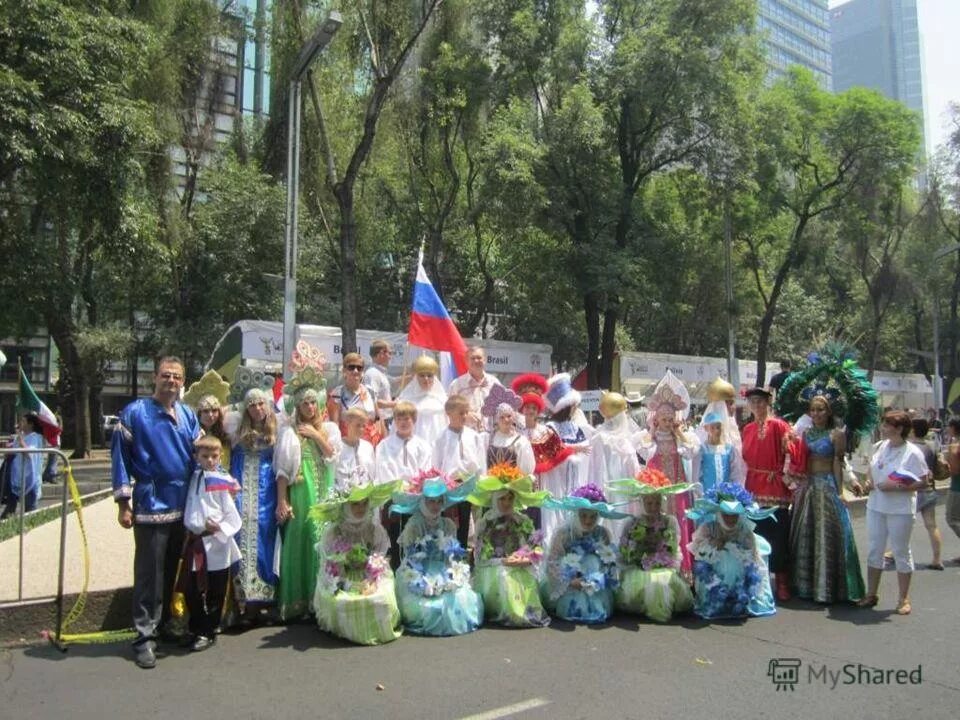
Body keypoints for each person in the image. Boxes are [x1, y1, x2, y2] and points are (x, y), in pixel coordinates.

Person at [111, 356, 199, 669]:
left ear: (183, 381)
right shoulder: (135, 413)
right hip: (151, 503)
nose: (171, 381)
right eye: (166, 375)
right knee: (149, 573)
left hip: (182, 504)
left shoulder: (188, 414)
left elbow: (199, 456)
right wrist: (123, 503)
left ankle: (162, 628)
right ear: (155, 378)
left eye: (177, 376)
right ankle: (143, 636)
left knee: (171, 571)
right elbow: (120, 458)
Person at [273, 343, 342, 620]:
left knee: (324, 540)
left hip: (325, 489)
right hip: (301, 492)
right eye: (305, 403)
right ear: (297, 406)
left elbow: (332, 456)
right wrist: (282, 500)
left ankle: (322, 599)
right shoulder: (289, 433)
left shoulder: (329, 429)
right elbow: (282, 472)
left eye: (313, 402)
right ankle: (299, 601)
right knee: (300, 540)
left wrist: (314, 435)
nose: (310, 407)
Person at [787, 396, 865, 603]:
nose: (816, 414)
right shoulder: (805, 433)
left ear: (828, 412)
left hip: (827, 486)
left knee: (828, 534)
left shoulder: (836, 434)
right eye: (813, 410)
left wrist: (842, 490)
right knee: (806, 534)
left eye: (820, 410)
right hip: (808, 487)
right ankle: (806, 586)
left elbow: (839, 463)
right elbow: (799, 460)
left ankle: (831, 589)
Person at [390, 473, 482, 636]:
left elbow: (452, 557)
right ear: (422, 502)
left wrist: (451, 567)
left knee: (460, 598)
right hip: (419, 571)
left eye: (439, 501)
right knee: (427, 604)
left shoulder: (448, 524)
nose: (435, 505)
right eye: (431, 501)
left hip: (443, 568)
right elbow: (409, 559)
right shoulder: (414, 525)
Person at [310, 481, 402, 645]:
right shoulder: (334, 531)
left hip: (370, 576)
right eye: (355, 504)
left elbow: (380, 558)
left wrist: (372, 577)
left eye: (364, 503)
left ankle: (374, 628)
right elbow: (330, 564)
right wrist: (344, 568)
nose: (360, 508)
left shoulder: (375, 530)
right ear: (345, 506)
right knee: (341, 601)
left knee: (383, 598)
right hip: (342, 577)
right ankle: (351, 630)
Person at [859, 411, 930, 615]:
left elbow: (924, 481)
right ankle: (871, 593)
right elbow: (872, 470)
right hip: (876, 506)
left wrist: (898, 487)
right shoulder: (879, 447)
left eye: (887, 424)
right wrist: (868, 482)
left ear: (899, 429)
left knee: (900, 551)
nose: (882, 427)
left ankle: (903, 598)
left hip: (900, 509)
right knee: (874, 549)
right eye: (883, 423)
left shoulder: (913, 453)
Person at [607, 468, 694, 623]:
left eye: (656, 502)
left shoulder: (669, 521)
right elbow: (623, 554)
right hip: (637, 568)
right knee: (642, 583)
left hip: (662, 566)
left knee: (662, 579)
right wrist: (639, 549)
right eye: (649, 503)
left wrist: (660, 551)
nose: (653, 507)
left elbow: (673, 551)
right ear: (642, 502)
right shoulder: (632, 523)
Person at [469, 464, 550, 628]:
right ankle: (512, 613)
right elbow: (480, 557)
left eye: (510, 498)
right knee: (506, 575)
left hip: (519, 565)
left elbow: (536, 547)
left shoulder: (522, 520)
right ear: (494, 499)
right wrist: (503, 561)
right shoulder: (485, 522)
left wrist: (527, 558)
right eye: (502, 498)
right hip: (493, 568)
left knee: (523, 575)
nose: (506, 503)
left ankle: (526, 612)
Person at [636, 372, 700, 578]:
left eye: (670, 418)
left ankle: (683, 570)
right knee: (656, 523)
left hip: (678, 490)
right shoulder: (649, 438)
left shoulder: (681, 438)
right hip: (657, 490)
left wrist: (679, 433)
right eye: (663, 418)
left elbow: (691, 451)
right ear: (656, 418)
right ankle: (656, 564)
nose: (667, 421)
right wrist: (653, 432)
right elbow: (644, 451)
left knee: (680, 523)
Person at [180, 435, 241, 651]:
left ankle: (209, 630)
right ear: (196, 456)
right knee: (191, 589)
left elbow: (234, 518)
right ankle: (197, 627)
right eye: (205, 456)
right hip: (195, 542)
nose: (210, 461)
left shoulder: (221, 482)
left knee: (215, 590)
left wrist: (221, 528)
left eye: (214, 456)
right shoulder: (194, 477)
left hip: (215, 543)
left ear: (220, 456)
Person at [225, 381, 280, 620]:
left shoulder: (277, 430)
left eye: (260, 403)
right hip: (243, 485)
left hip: (266, 490)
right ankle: (243, 600)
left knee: (264, 536)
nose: (257, 408)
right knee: (241, 535)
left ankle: (264, 597)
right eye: (252, 405)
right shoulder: (238, 432)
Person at [685, 482, 777, 620]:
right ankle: (718, 599)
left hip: (740, 579)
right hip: (713, 581)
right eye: (726, 514)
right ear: (719, 513)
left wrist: (738, 550)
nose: (730, 519)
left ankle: (738, 598)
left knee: (736, 558)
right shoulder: (708, 529)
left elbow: (754, 561)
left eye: (734, 515)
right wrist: (713, 545)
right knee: (720, 558)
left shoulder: (744, 531)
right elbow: (700, 558)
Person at [541, 484, 627, 624]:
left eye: (593, 517)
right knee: (570, 560)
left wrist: (599, 579)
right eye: (583, 515)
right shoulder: (563, 534)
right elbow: (552, 562)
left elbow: (609, 561)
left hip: (593, 584)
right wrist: (569, 581)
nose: (588, 521)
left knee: (592, 559)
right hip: (569, 582)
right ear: (576, 514)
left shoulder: (602, 533)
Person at [741, 387, 793, 601]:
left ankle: (781, 581)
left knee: (778, 535)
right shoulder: (747, 429)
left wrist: (787, 479)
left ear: (768, 403)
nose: (756, 406)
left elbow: (791, 454)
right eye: (752, 402)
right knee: (756, 536)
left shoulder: (780, 426)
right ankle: (759, 580)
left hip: (774, 486)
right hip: (753, 487)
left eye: (760, 401)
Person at [374, 400, 433, 566]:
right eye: (399, 419)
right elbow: (383, 468)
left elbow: (425, 470)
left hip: (416, 498)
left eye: (407, 419)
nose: (403, 422)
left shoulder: (423, 445)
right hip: (394, 498)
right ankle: (395, 569)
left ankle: (414, 571)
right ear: (394, 421)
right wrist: (398, 488)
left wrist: (415, 486)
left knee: (415, 537)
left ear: (414, 421)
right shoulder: (384, 446)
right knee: (394, 537)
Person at [540, 374, 592, 542]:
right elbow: (552, 452)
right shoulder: (550, 427)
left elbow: (586, 447)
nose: (575, 408)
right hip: (557, 480)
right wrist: (574, 450)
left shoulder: (575, 426)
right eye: (573, 405)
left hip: (575, 477)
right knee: (558, 516)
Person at [433, 394, 486, 547]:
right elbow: (436, 465)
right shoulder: (441, 438)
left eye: (466, 412)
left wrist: (480, 483)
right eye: (460, 413)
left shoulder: (474, 436)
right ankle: (450, 560)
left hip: (470, 486)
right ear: (449, 413)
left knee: (468, 526)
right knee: (451, 527)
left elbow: (480, 463)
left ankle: (466, 560)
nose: (464, 416)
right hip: (450, 489)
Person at [589, 392, 642, 537]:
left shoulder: (622, 438)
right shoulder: (601, 438)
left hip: (624, 493)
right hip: (611, 491)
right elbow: (597, 470)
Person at [908, 417, 944, 570]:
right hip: (929, 489)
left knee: (904, 525)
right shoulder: (931, 446)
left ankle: (897, 554)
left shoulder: (910, 447)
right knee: (931, 525)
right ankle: (937, 559)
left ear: (913, 430)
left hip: (914, 491)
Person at [327, 352, 382, 446]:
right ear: (344, 370)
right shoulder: (337, 394)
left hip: (371, 445)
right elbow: (334, 426)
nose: (355, 371)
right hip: (348, 445)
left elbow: (378, 418)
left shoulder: (370, 391)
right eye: (351, 367)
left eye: (359, 368)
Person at [183, 369, 233, 469]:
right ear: (199, 413)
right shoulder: (191, 434)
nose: (210, 415)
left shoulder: (226, 435)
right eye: (206, 411)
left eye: (214, 410)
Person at [396, 355, 448, 447]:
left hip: (436, 444)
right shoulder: (406, 399)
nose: (426, 379)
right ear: (416, 378)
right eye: (422, 375)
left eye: (429, 375)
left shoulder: (442, 400)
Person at [447, 345, 502, 431]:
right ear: (466, 361)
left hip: (491, 435)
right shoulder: (457, 385)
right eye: (472, 358)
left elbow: (503, 408)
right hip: (465, 435)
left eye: (479, 358)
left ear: (485, 360)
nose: (476, 361)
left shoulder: (495, 383)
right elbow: (449, 409)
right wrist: (464, 415)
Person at [697, 402, 746, 496]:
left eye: (718, 427)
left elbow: (736, 473)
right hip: (707, 494)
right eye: (712, 428)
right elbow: (697, 474)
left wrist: (734, 492)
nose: (716, 431)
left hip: (726, 495)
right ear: (706, 428)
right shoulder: (703, 449)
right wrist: (700, 494)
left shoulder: (729, 449)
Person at [1, 414, 45, 519]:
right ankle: (4, 525)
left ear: (31, 424)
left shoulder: (35, 437)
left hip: (30, 478)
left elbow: (29, 453)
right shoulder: (20, 437)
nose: (20, 423)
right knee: (10, 506)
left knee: (30, 510)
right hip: (16, 477)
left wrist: (20, 440)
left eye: (23, 421)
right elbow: (15, 452)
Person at [363, 339, 396, 427]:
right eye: (389, 353)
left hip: (386, 419)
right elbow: (372, 400)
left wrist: (413, 376)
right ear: (381, 354)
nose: (390, 357)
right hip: (380, 421)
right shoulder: (373, 374)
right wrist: (394, 404)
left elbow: (394, 381)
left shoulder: (380, 372)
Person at [945, 417, 960, 563]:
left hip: (957, 488)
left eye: (949, 427)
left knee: (952, 519)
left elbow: (954, 471)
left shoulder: (955, 447)